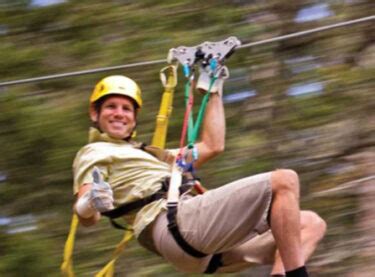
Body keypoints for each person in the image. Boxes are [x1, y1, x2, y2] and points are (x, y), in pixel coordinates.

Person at [72, 73, 326, 276]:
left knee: (310, 224)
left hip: (200, 245)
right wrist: (90, 202)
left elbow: (212, 145)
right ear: (95, 114)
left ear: (134, 119)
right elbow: (87, 215)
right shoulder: (95, 151)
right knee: (284, 180)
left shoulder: (152, 156)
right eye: (111, 107)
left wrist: (213, 90)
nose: (119, 113)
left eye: (126, 108)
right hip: (174, 225)